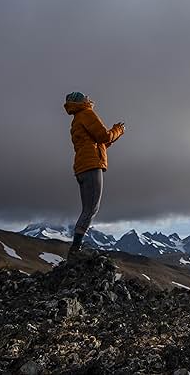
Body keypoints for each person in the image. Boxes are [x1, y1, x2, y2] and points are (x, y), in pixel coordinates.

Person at [64, 91, 125, 255]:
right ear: (81, 101)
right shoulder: (87, 113)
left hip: (81, 167)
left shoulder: (76, 119)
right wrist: (118, 130)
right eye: (85, 97)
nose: (88, 99)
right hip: (91, 166)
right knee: (91, 208)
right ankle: (76, 248)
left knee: (87, 208)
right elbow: (104, 136)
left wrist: (112, 138)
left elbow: (95, 142)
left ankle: (76, 247)